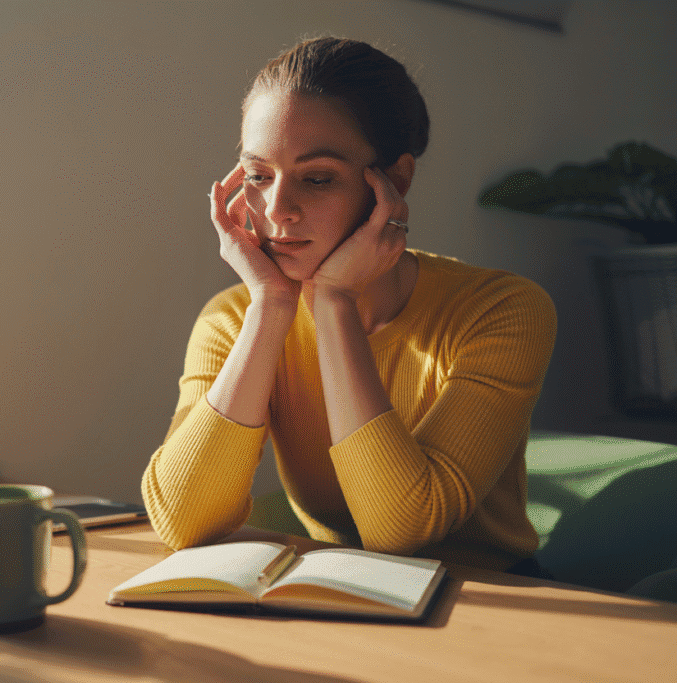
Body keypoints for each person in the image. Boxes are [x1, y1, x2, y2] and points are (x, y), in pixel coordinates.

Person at [141, 36, 557, 573]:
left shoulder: (501, 310)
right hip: (338, 597)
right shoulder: (231, 320)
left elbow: (401, 529)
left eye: (317, 179)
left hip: (492, 606)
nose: (277, 210)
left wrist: (333, 301)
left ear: (395, 181)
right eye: (258, 176)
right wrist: (269, 307)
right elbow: (181, 521)